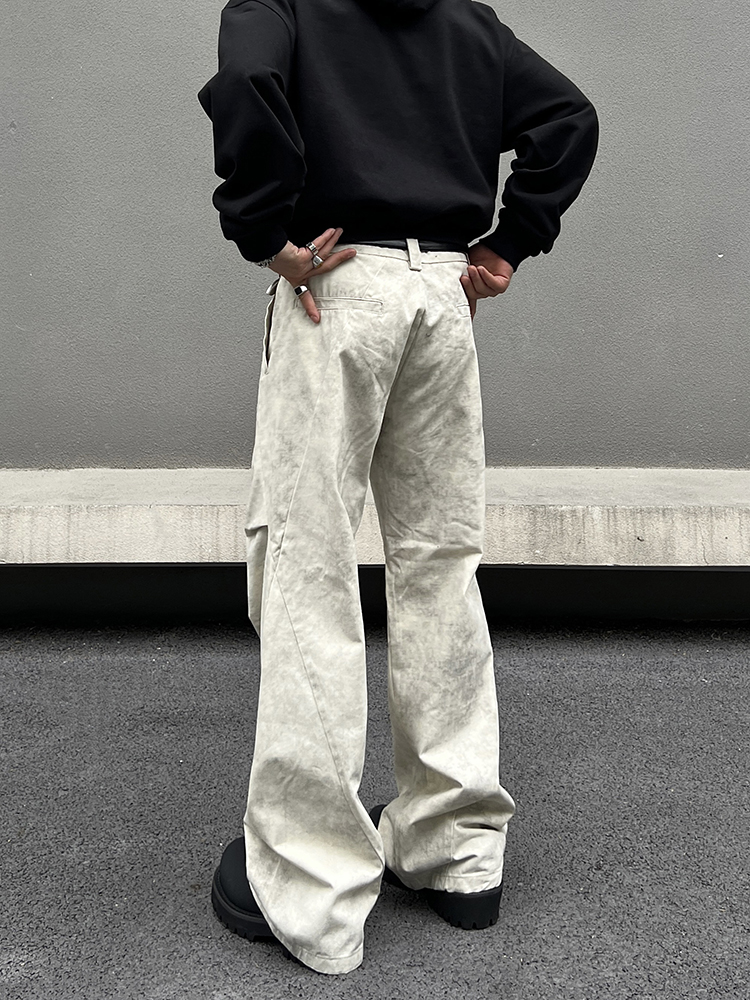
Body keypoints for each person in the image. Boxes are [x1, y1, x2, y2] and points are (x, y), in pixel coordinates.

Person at [197, 0, 598, 976]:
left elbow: (248, 81)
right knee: (439, 566)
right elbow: (568, 118)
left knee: (309, 569)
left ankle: (314, 885)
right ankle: (455, 849)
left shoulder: (283, 4)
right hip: (440, 296)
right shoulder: (466, 20)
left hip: (334, 285)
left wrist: (265, 231)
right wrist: (508, 240)